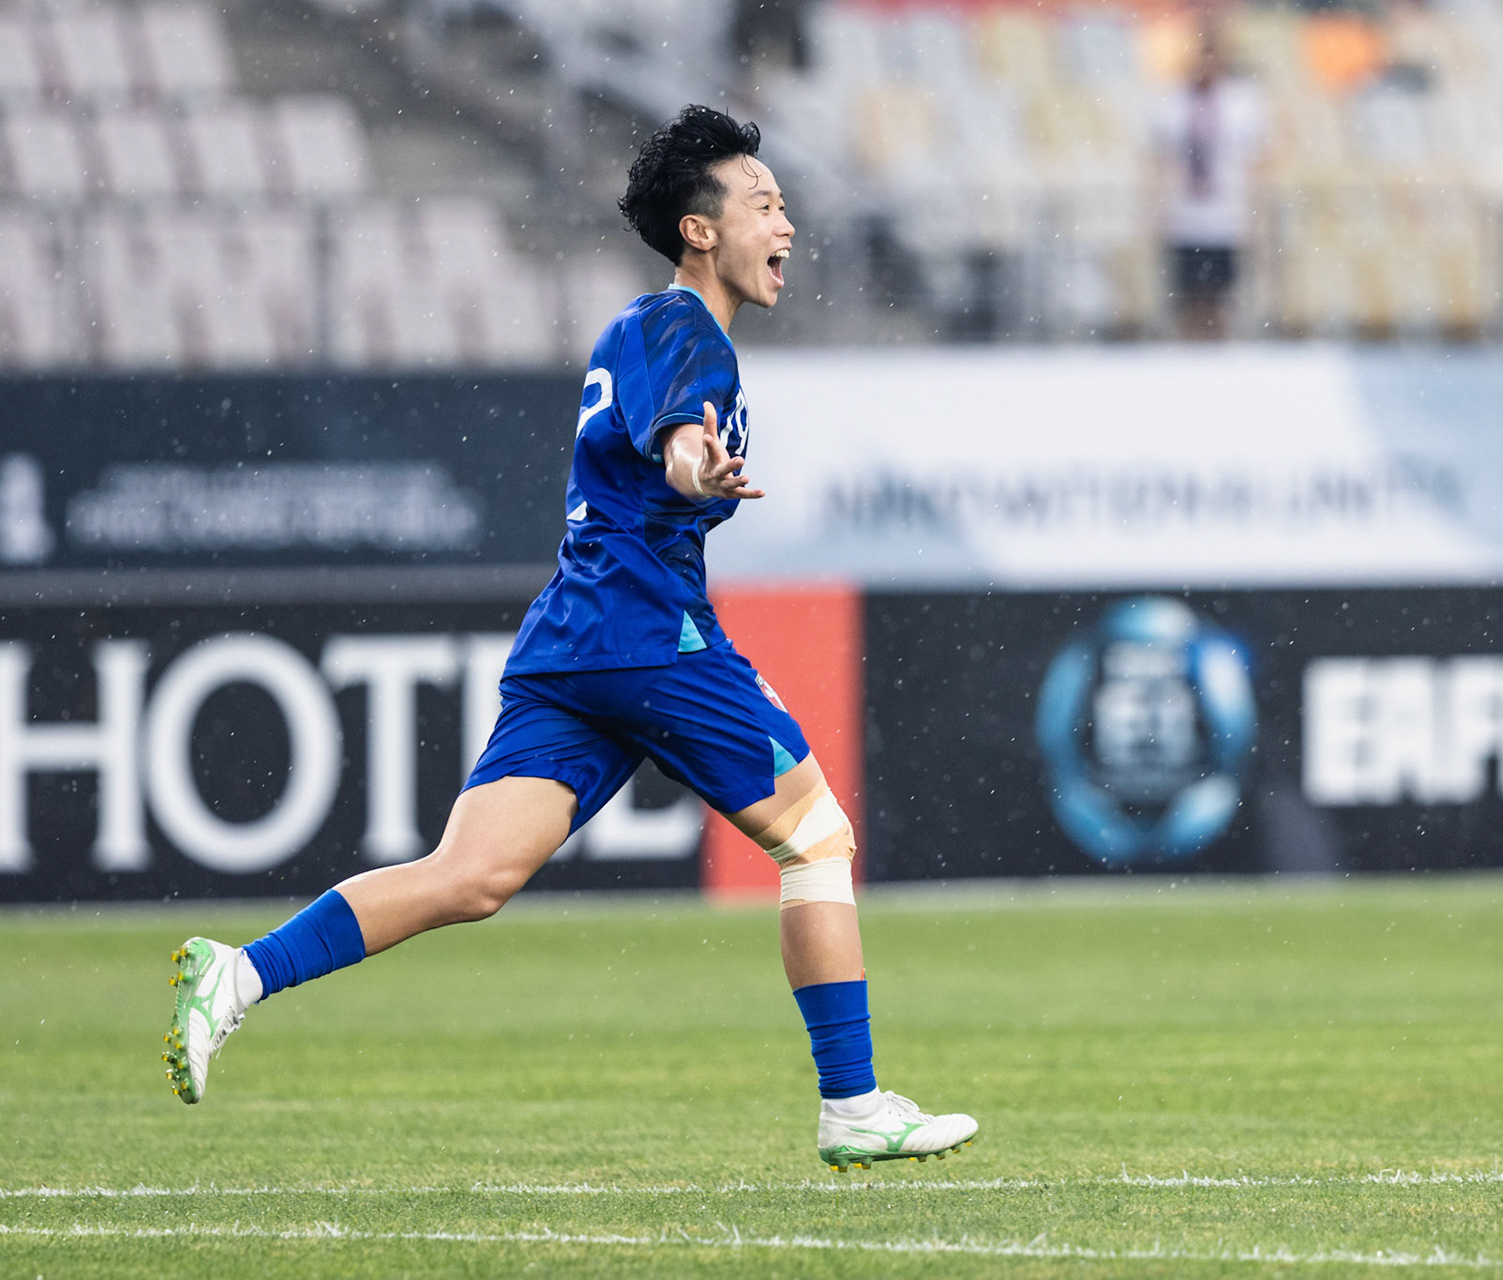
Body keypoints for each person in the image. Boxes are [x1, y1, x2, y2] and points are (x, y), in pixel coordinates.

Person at [161, 105, 979, 1174]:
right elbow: (679, 443)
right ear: (699, 230)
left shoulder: (639, 328)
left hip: (571, 642)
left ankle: (241, 974)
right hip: (647, 634)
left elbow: (661, 441)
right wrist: (698, 466)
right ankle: (853, 1102)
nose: (787, 223)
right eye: (765, 203)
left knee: (469, 876)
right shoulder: (688, 334)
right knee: (817, 839)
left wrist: (687, 466)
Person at [1151, 25, 1267, 341]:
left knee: (1220, 301)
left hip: (1225, 217)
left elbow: (1257, 163)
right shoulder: (1172, 101)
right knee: (1188, 301)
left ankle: (1217, 356)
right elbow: (1159, 161)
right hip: (1184, 216)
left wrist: (1256, 216)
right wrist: (1156, 211)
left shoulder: (1242, 102)